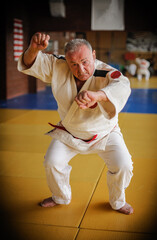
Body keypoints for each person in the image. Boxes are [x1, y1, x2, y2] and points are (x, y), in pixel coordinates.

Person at [18, 32, 133, 215]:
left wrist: (98, 95)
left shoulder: (106, 71)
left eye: (85, 62)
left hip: (104, 133)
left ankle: (118, 201)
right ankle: (60, 196)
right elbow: (31, 63)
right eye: (74, 64)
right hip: (70, 132)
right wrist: (33, 49)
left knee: (123, 165)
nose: (81, 69)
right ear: (67, 61)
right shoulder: (58, 65)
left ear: (93, 55)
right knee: (52, 162)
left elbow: (122, 84)